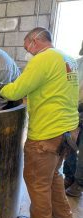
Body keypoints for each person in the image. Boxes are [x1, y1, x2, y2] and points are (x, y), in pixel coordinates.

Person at [0, 27, 79, 218]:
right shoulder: (68, 59)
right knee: (53, 178)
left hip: (47, 133)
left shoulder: (42, 59)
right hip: (68, 132)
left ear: (35, 41)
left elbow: (15, 91)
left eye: (27, 47)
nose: (28, 52)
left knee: (37, 184)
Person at [63, 40, 83, 197]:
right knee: (69, 144)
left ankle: (79, 183)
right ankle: (68, 176)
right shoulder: (76, 64)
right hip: (73, 109)